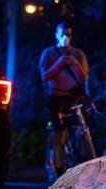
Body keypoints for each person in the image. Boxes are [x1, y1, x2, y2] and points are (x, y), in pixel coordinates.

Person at [39, 22, 89, 177]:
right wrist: (59, 63)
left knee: (81, 130)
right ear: (56, 34)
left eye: (68, 33)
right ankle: (59, 170)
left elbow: (83, 77)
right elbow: (44, 76)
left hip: (74, 98)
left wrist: (74, 64)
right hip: (57, 97)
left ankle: (81, 163)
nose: (65, 37)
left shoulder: (78, 54)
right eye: (62, 33)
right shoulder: (49, 53)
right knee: (59, 134)